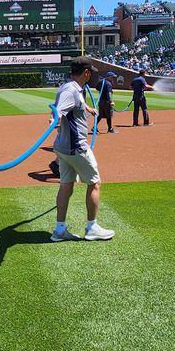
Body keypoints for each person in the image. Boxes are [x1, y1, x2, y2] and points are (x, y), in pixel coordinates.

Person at [51, 59, 115, 242]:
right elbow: (59, 111)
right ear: (86, 72)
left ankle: (60, 230)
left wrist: (87, 108)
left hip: (64, 147)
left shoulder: (73, 88)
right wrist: (54, 119)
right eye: (91, 72)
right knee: (95, 183)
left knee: (66, 185)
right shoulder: (70, 90)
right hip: (76, 147)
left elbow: (74, 103)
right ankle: (92, 228)